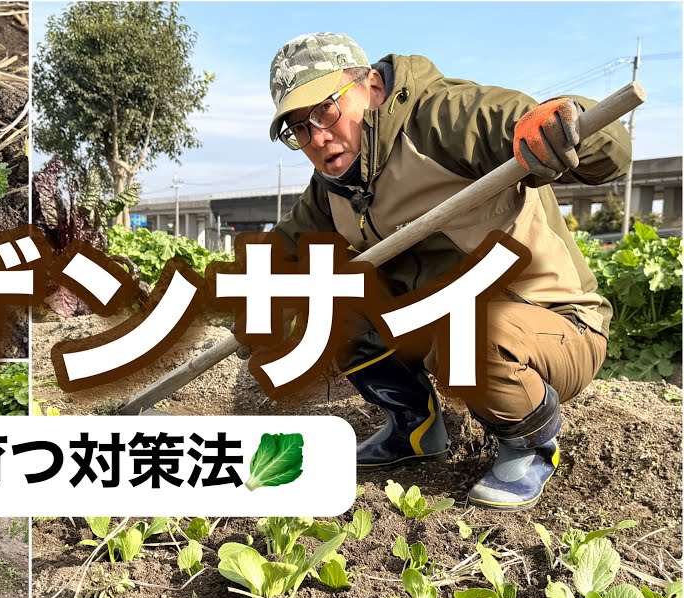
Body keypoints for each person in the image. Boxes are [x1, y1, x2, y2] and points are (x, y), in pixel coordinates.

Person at [266, 32, 630, 510]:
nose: (317, 138)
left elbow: (610, 149)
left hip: (554, 323)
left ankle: (533, 441)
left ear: (371, 86)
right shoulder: (331, 190)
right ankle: (414, 427)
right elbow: (282, 250)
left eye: (326, 111)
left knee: (463, 330)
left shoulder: (445, 120)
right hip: (444, 321)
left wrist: (565, 122)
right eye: (299, 129)